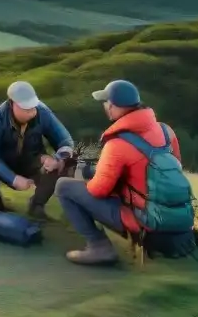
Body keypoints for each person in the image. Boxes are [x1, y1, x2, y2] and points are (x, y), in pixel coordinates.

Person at [55, 79, 182, 265]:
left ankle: (99, 246)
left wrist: (90, 175)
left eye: (106, 102)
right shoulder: (165, 131)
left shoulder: (117, 144)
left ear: (113, 106)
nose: (105, 106)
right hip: (175, 215)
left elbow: (99, 191)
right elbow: (176, 166)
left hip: (144, 221)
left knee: (64, 187)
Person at [0, 80, 75, 220]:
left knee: (67, 163)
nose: (32, 112)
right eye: (26, 109)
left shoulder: (43, 112)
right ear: (12, 103)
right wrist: (13, 178)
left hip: (33, 160)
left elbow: (65, 141)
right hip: (5, 163)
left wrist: (57, 159)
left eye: (33, 107)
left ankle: (37, 205)